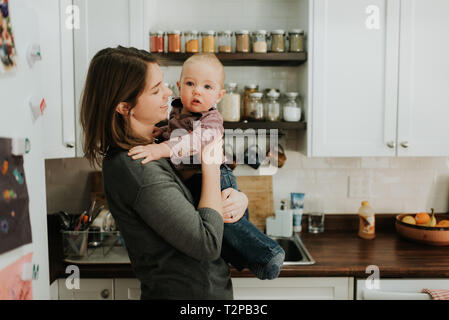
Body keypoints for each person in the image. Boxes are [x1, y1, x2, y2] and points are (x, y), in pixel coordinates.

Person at [80, 46, 250, 300]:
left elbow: (204, 204)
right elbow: (207, 243)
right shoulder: (137, 166)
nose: (169, 92)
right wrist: (211, 164)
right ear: (124, 106)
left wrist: (239, 199)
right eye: (156, 89)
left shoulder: (160, 145)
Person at [128, 53, 285, 280]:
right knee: (217, 228)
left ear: (220, 95)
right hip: (195, 178)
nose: (197, 91)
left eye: (207, 86)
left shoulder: (211, 120)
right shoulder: (176, 110)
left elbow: (195, 141)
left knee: (228, 221)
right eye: (190, 84)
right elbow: (176, 134)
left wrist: (161, 149)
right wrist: (161, 134)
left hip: (216, 175)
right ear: (179, 86)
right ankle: (247, 259)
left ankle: (268, 253)